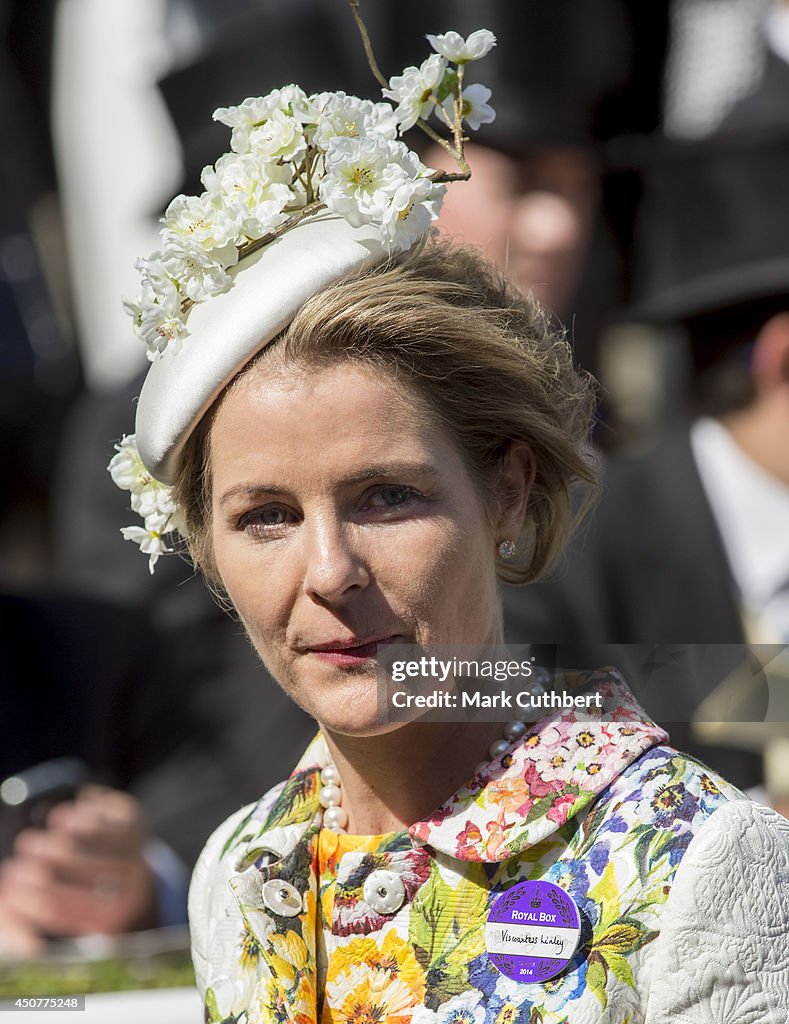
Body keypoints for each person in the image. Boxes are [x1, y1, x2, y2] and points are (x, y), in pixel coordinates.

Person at [110, 25, 789, 1023]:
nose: (331, 569)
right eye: (265, 517)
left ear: (508, 493)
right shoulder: (241, 867)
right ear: (203, 546)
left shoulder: (695, 859)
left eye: (388, 496)